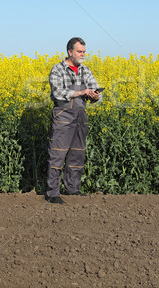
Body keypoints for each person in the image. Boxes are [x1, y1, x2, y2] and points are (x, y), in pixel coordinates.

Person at [44, 37, 102, 204]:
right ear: (70, 52)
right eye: (79, 51)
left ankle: (73, 189)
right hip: (63, 115)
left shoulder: (85, 70)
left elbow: (95, 89)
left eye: (84, 51)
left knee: (77, 153)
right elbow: (58, 93)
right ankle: (52, 193)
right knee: (57, 153)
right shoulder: (58, 70)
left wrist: (95, 95)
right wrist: (81, 92)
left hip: (80, 114)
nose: (83, 54)